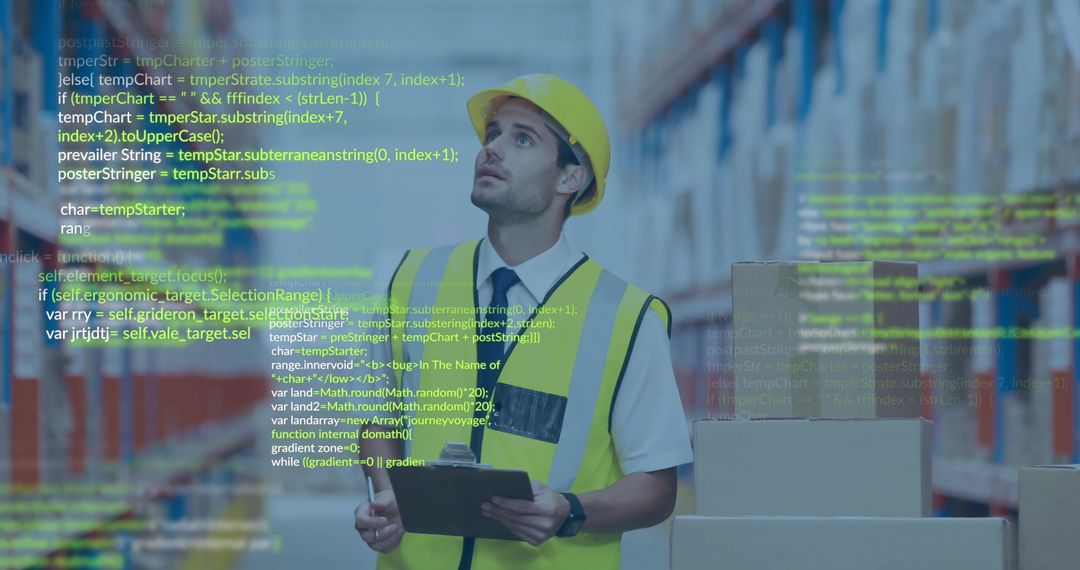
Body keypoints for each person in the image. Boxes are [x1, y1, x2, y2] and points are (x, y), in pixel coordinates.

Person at [353, 74, 692, 570]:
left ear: (568, 179)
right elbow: (378, 418)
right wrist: (388, 498)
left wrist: (571, 511)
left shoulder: (628, 317)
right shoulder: (410, 281)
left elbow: (658, 488)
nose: (492, 149)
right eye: (492, 134)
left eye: (523, 139)